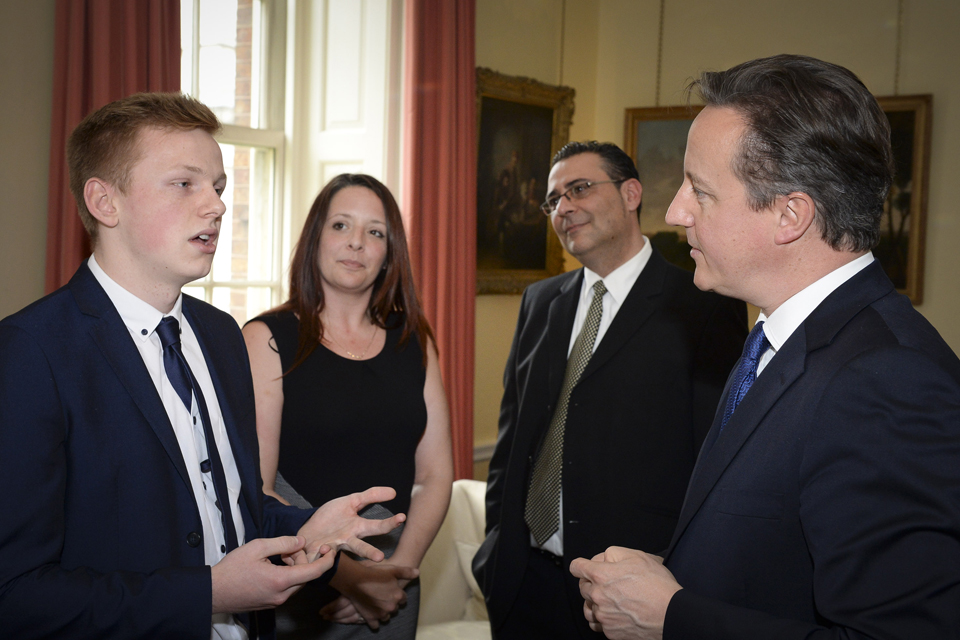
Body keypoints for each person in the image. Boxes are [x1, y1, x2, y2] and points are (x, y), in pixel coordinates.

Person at [571, 54, 960, 640]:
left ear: (790, 215)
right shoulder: (778, 337)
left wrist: (674, 617)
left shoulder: (885, 379)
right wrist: (676, 581)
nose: (674, 213)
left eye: (700, 191)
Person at [0, 93, 405, 640]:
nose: (215, 206)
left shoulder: (220, 335)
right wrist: (209, 592)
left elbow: (228, 504)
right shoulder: (31, 353)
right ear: (105, 201)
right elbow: (18, 596)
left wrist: (308, 525)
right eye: (184, 184)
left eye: (217, 187)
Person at [472, 141, 747, 639]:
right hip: (523, 582)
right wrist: (496, 547)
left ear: (631, 193)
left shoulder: (701, 305)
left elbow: (716, 459)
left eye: (579, 189)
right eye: (553, 200)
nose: (564, 208)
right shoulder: (540, 301)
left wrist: (679, 588)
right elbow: (513, 442)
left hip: (626, 594)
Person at [243, 173, 453, 638]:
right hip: (302, 579)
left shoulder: (414, 339)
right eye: (340, 225)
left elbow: (436, 476)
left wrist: (396, 572)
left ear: (389, 253)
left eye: (375, 232)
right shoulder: (267, 339)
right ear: (315, 238)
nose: (356, 243)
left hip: (395, 582)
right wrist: (352, 578)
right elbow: (255, 488)